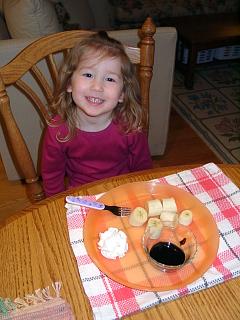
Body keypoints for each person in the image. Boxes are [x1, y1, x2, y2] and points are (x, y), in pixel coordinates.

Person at [41, 31, 153, 197]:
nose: (97, 86)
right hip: (81, 195)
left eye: (110, 79)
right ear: (69, 84)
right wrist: (56, 205)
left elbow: (143, 170)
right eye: (88, 75)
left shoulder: (131, 126)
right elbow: (52, 176)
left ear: (122, 94)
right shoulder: (58, 130)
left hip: (123, 190)